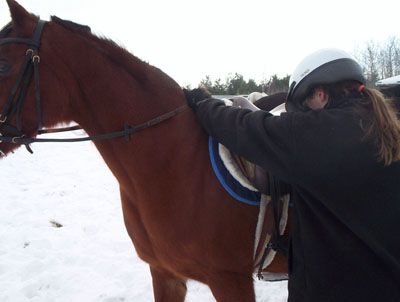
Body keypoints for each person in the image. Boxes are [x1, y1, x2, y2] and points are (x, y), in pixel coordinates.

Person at [185, 48, 400, 302]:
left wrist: (203, 103)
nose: (303, 115)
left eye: (303, 106)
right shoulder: (384, 125)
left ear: (320, 94)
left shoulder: (319, 134)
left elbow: (245, 129)